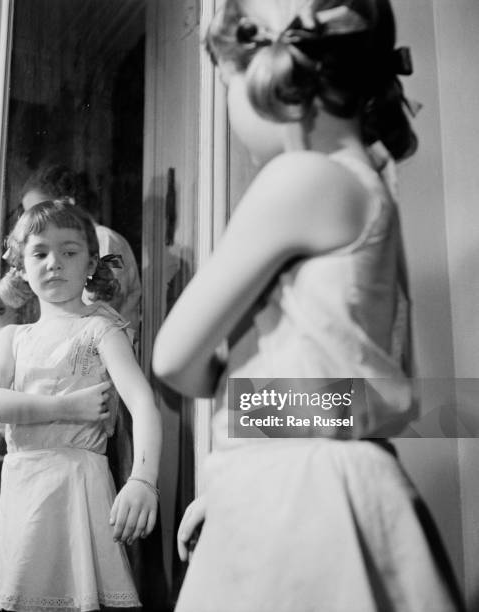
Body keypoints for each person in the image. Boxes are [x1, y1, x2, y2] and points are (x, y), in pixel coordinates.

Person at [153, 0, 464, 610]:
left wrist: (252, 433)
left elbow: (172, 356)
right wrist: (261, 443)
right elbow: (387, 398)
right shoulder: (372, 188)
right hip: (351, 483)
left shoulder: (299, 178)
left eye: (224, 82)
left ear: (273, 75)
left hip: (300, 501)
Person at [0, 201, 162, 611]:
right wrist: (67, 407)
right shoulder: (12, 337)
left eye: (69, 252)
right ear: (21, 267)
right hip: (25, 484)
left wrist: (142, 479)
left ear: (90, 263)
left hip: (78, 484)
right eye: (40, 252)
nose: (53, 263)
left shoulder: (99, 328)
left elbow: (143, 403)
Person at [19, 164, 142, 336]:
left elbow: (106, 302)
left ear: (68, 203)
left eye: (42, 211)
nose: (35, 222)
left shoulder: (104, 239)